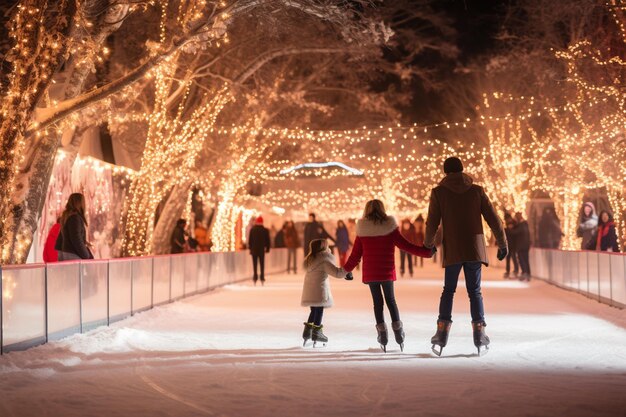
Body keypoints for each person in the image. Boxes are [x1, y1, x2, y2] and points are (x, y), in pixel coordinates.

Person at [424, 157, 508, 356]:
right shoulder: (476, 191)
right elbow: (493, 219)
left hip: (453, 248)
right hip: (474, 249)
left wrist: (428, 244)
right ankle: (479, 334)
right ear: (462, 170)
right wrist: (503, 242)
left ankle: (442, 333)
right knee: (475, 292)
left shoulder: (439, 193)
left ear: (445, 172)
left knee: (448, 290)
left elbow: (431, 222)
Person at [343, 199, 434, 352]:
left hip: (372, 273)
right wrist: (426, 252)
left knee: (377, 303)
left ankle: (382, 334)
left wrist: (345, 270)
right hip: (386, 271)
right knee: (391, 301)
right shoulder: (390, 227)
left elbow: (355, 256)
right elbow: (407, 246)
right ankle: (398, 333)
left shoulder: (363, 230)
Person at [301, 239, 353, 347]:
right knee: (319, 310)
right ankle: (316, 333)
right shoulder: (324, 260)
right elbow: (337, 273)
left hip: (309, 291)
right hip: (319, 291)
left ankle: (307, 332)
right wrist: (347, 271)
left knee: (314, 310)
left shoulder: (310, 260)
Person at [54, 193, 94, 261]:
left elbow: (65, 236)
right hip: (73, 254)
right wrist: (86, 255)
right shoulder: (75, 218)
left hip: (66, 252)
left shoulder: (67, 216)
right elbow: (76, 238)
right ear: (80, 203)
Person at [248, 216, 271, 285]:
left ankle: (255, 277)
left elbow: (250, 241)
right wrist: (267, 249)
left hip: (254, 250)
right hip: (261, 250)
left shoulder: (253, 230)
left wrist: (250, 248)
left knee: (255, 264)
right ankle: (262, 277)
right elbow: (268, 241)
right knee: (262, 264)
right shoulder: (265, 230)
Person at [514, 212, 532, 279]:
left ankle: (525, 273)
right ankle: (527, 273)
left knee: (522, 259)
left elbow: (516, 232)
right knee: (525, 259)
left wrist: (508, 230)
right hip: (525, 245)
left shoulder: (522, 225)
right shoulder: (525, 224)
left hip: (521, 246)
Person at [503, 213, 519, 279]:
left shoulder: (515, 224)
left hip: (513, 244)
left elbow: (516, 233)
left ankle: (516, 270)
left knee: (514, 257)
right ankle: (508, 271)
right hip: (508, 244)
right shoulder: (506, 226)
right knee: (508, 258)